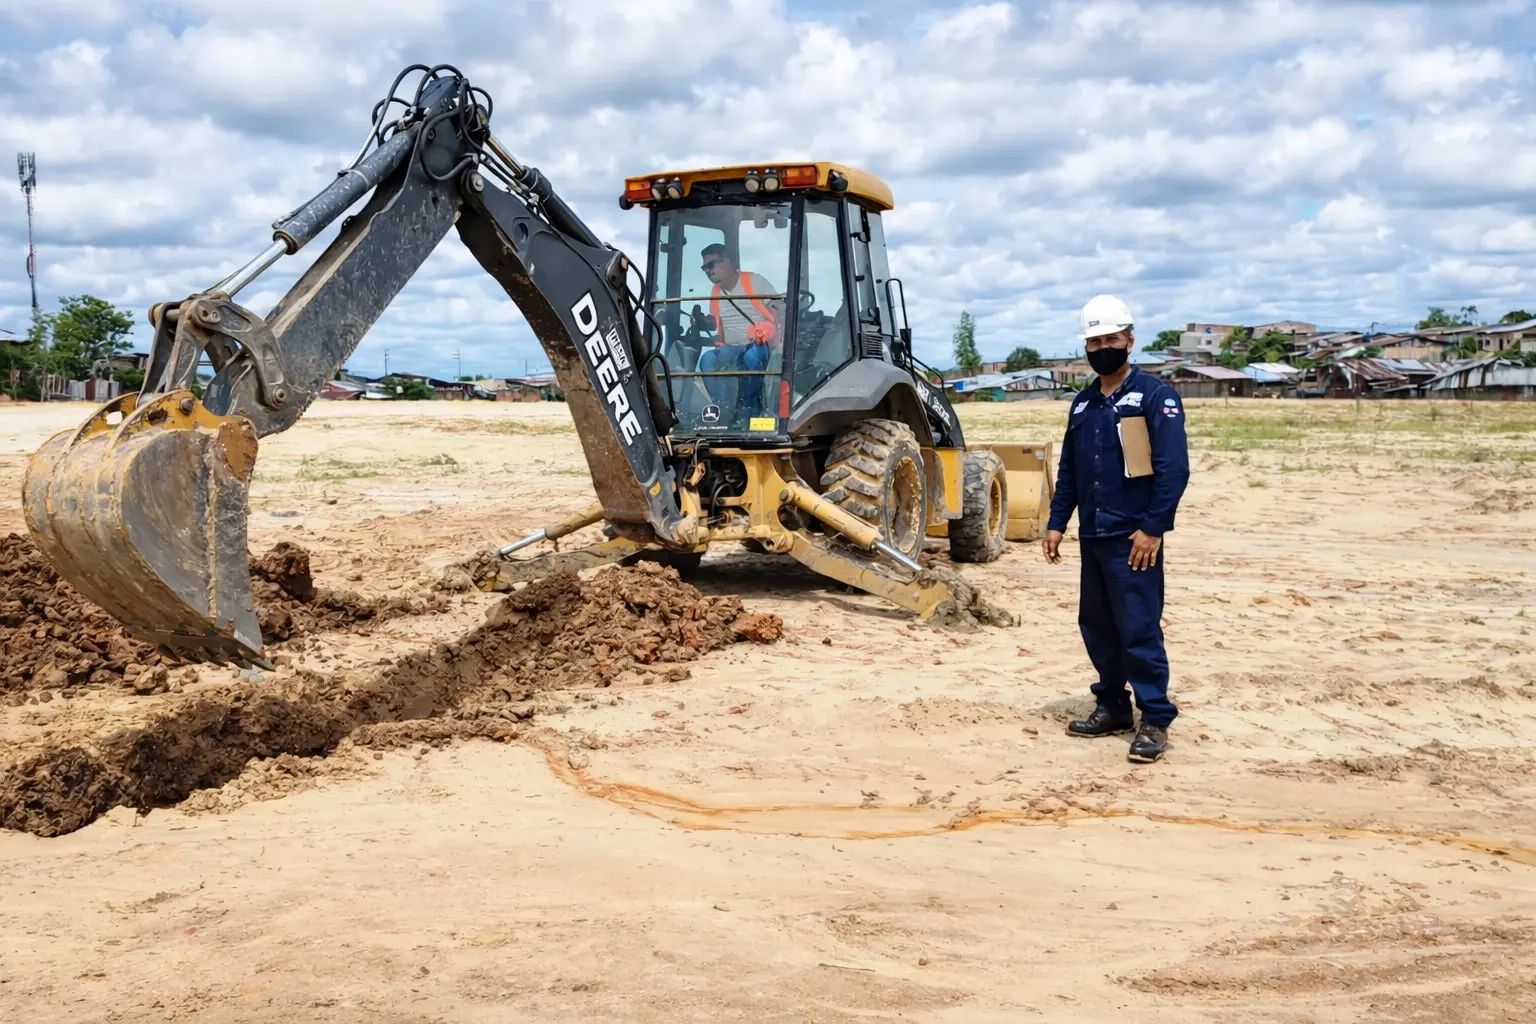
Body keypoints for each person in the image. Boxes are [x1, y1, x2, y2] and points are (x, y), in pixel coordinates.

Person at [1042, 295, 1190, 763]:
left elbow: (1173, 469)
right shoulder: (1083, 404)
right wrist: (1056, 522)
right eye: (1094, 341)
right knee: (1098, 626)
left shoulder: (1153, 396)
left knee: (1139, 628)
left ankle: (1155, 718)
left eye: (1110, 339)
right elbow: (1070, 468)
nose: (1103, 347)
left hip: (1134, 539)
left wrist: (1153, 528)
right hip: (1095, 534)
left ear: (1129, 339)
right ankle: (1112, 707)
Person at [696, 244, 780, 417]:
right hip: (731, 348)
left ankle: (748, 408)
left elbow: (779, 309)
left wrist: (773, 333)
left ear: (728, 261)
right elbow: (716, 322)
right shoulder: (716, 292)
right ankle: (723, 408)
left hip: (757, 345)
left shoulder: (754, 281)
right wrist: (701, 321)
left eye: (711, 265)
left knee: (751, 358)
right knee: (708, 359)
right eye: (705, 268)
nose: (708, 271)